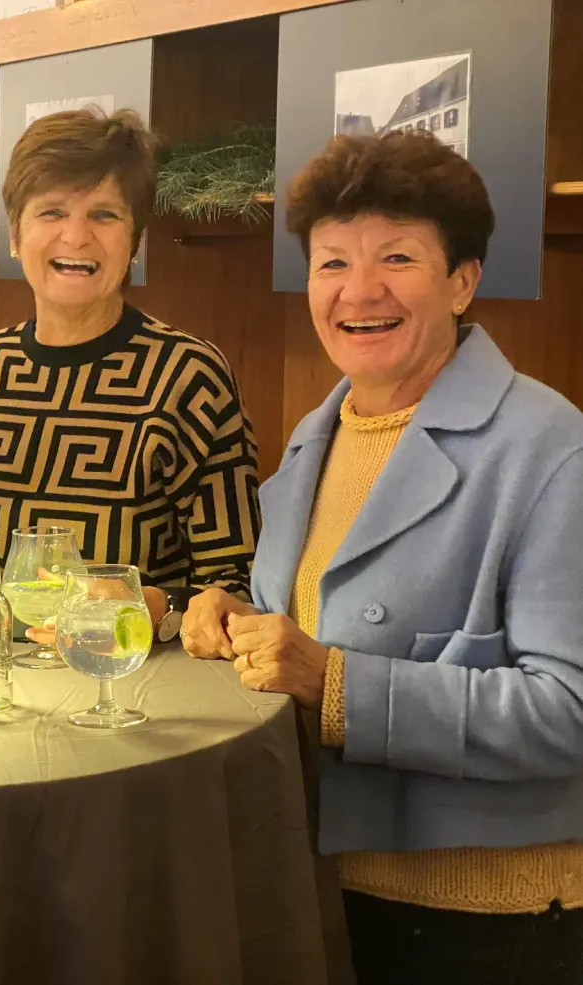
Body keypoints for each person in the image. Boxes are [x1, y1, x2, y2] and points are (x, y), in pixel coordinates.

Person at [182, 129, 583, 984]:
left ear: (463, 279)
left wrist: (332, 682)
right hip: (315, 889)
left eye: (396, 257)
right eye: (331, 263)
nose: (359, 291)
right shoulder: (314, 438)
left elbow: (570, 711)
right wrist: (240, 619)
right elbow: (306, 632)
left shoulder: (552, 448)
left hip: (484, 922)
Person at [0, 107, 261, 633]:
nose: (76, 237)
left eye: (105, 215)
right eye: (51, 212)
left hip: (131, 684)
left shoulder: (188, 377)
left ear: (135, 241)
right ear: (14, 235)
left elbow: (234, 582)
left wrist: (151, 606)